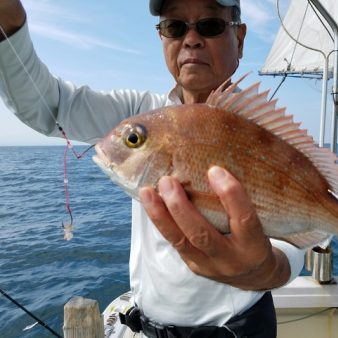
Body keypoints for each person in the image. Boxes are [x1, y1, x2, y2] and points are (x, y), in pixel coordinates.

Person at [0, 0, 304, 336]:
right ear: (162, 37)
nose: (191, 39)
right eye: (175, 26)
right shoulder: (142, 119)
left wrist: (267, 268)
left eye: (210, 25)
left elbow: (298, 230)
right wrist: (10, 27)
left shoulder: (266, 132)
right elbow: (49, 104)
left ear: (241, 39)